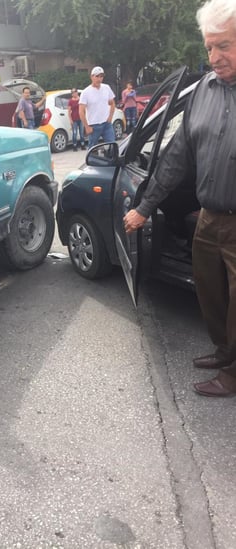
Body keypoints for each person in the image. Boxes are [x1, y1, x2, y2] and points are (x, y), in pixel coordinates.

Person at [123, 0, 236, 397]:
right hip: (208, 218)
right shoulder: (203, 90)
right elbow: (174, 158)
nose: (214, 57)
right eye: (209, 47)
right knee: (211, 293)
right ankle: (224, 352)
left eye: (224, 45)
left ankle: (232, 376)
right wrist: (143, 207)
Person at [79, 66, 116, 148]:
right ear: (92, 77)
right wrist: (86, 126)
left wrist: (110, 117)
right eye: (97, 76)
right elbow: (81, 111)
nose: (99, 79)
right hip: (94, 125)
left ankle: (111, 160)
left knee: (112, 146)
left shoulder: (106, 88)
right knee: (93, 148)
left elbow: (112, 103)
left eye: (101, 76)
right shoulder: (86, 92)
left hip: (106, 124)